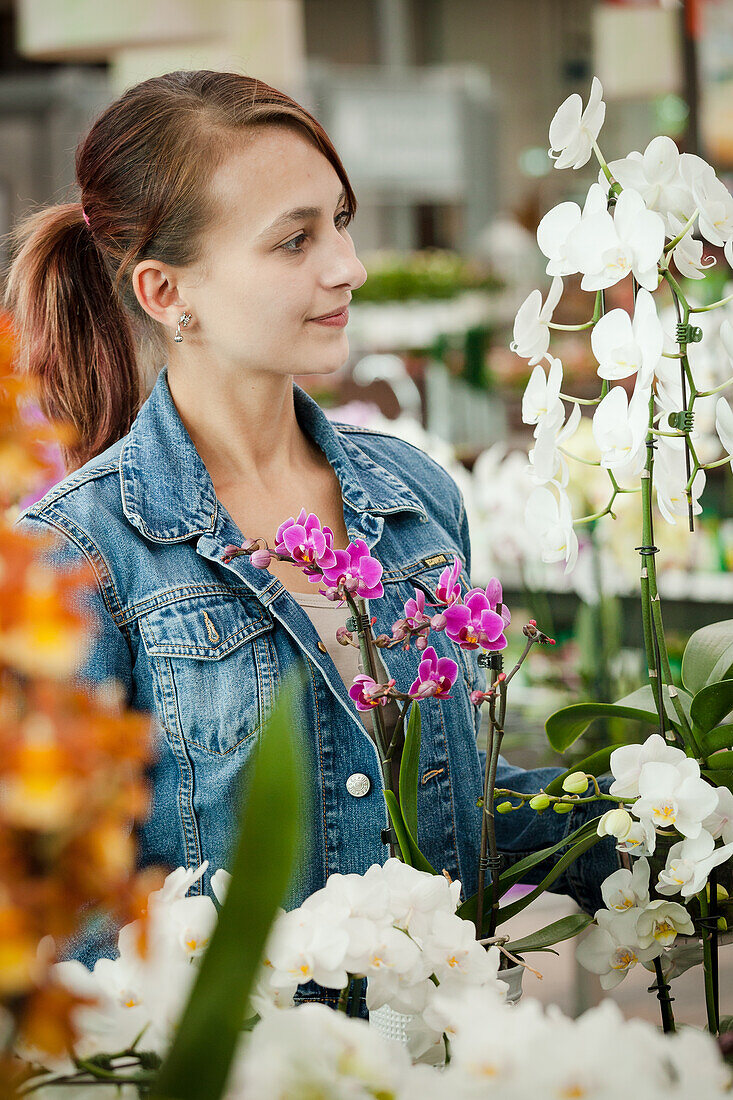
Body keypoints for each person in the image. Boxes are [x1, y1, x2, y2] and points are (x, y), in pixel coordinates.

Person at [4, 71, 617, 1005]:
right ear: (168, 292)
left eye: (340, 220)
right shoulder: (76, 557)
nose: (347, 266)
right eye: (295, 239)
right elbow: (78, 932)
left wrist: (658, 820)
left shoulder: (414, 498)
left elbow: (451, 813)